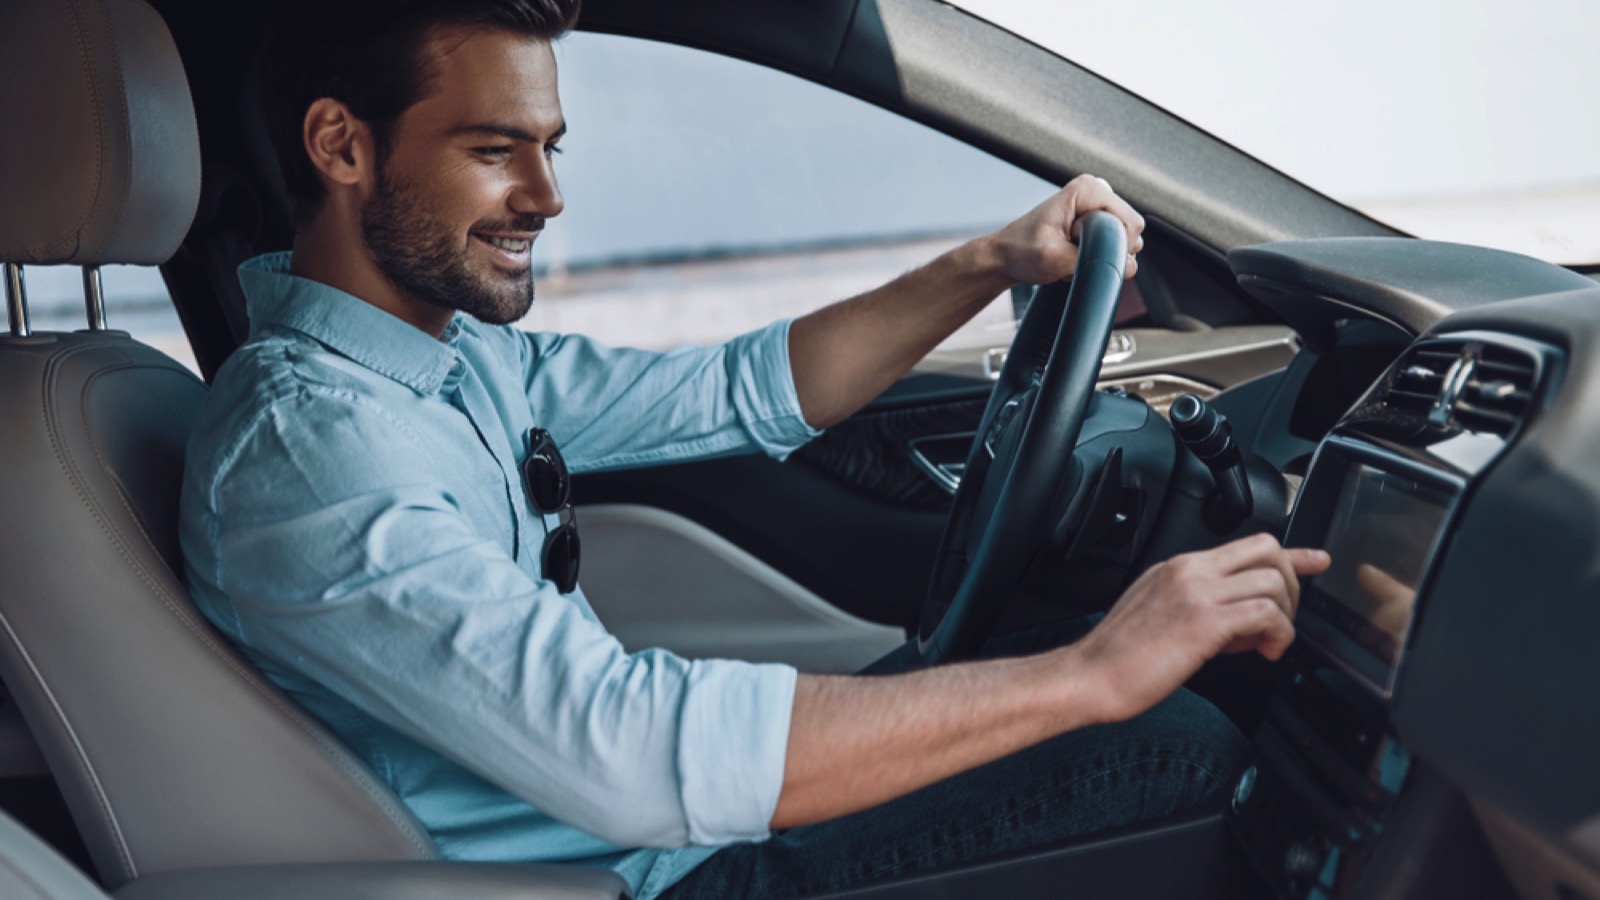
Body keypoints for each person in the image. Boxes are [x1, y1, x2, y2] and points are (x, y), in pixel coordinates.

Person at [179, 1, 1331, 898]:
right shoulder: (311, 450)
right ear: (341, 145)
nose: (545, 196)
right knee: (1163, 740)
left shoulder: (444, 360)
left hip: (661, 847)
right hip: (641, 878)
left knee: (1123, 674)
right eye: (495, 150)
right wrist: (1090, 678)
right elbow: (626, 753)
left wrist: (989, 262)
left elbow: (738, 390)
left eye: (550, 147)